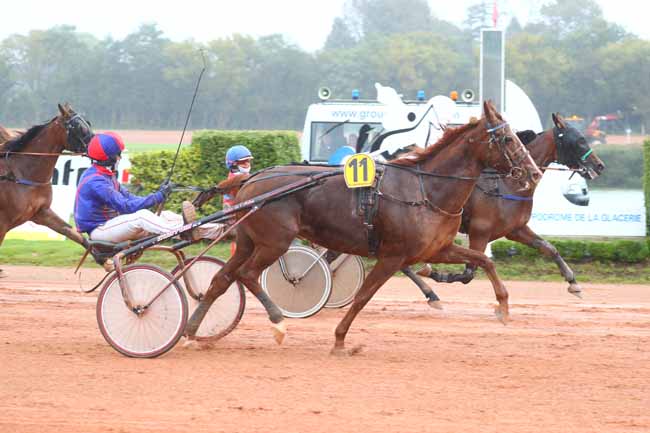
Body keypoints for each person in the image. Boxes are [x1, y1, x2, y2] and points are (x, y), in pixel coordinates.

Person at [74, 132, 222, 252]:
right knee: (142, 217)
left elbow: (130, 198)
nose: (120, 157)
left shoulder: (105, 175)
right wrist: (158, 196)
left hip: (110, 226)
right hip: (99, 231)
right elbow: (126, 207)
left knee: (166, 216)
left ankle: (219, 230)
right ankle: (184, 230)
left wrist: (159, 193)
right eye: (118, 155)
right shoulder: (96, 182)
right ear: (109, 158)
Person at [223, 145, 253, 256]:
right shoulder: (235, 180)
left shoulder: (244, 177)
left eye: (248, 161)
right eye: (243, 162)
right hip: (235, 220)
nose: (247, 164)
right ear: (234, 165)